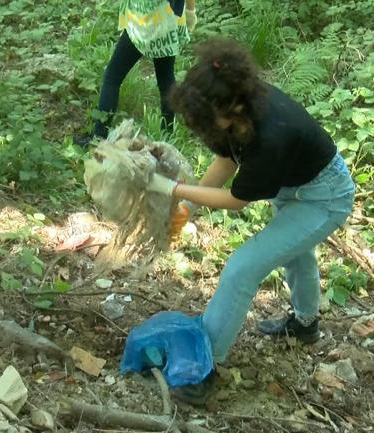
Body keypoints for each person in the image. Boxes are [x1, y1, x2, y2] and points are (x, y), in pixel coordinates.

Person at [145, 38, 355, 404]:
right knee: (296, 253)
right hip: (295, 183)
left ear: (234, 106)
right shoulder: (237, 112)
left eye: (207, 120)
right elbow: (225, 161)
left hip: (325, 198)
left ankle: (203, 366)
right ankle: (305, 325)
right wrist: (187, 209)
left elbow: (236, 200)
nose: (203, 127)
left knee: (242, 267)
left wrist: (175, 190)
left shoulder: (272, 135)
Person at [74, 0, 197, 147]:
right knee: (166, 81)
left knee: (112, 77)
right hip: (168, 19)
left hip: (143, 20)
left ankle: (98, 138)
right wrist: (190, 11)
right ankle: (167, 137)